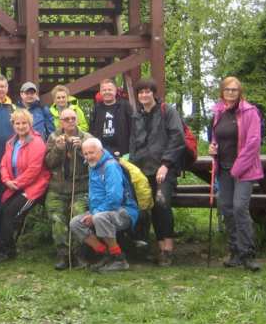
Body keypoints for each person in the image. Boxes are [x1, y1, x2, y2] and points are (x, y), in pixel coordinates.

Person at [128, 78, 186, 266]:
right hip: (142, 169)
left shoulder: (167, 111)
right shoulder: (136, 115)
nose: (144, 95)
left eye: (147, 91)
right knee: (146, 206)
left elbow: (178, 139)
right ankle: (147, 247)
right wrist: (133, 167)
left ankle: (167, 249)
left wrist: (166, 164)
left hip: (164, 169)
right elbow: (134, 142)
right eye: (141, 92)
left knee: (161, 204)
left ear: (154, 93)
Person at [209, 76, 263, 271]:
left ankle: (248, 253)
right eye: (227, 89)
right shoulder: (218, 112)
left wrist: (237, 168)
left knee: (240, 208)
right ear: (222, 92)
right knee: (227, 208)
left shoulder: (250, 112)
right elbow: (216, 138)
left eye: (235, 90)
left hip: (245, 170)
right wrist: (212, 148)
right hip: (223, 168)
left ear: (240, 92)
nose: (231, 93)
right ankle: (235, 252)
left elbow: (253, 143)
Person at [69, 138, 139, 272]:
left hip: (125, 210)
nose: (89, 156)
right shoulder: (93, 166)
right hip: (101, 211)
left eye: (92, 153)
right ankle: (105, 254)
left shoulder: (110, 166)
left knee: (99, 218)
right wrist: (92, 212)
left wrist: (95, 213)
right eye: (86, 154)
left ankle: (119, 259)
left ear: (101, 151)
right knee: (76, 223)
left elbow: (115, 199)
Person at [0, 109, 50, 264]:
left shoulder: (37, 142)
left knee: (9, 213)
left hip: (34, 187)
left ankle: (5, 251)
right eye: (17, 123)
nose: (21, 126)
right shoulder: (11, 142)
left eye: (24, 123)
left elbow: (34, 170)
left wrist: (15, 184)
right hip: (14, 186)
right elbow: (3, 164)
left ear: (30, 124)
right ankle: (6, 248)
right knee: (0, 210)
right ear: (13, 125)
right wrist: (6, 181)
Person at [44, 108, 94, 269]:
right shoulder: (53, 138)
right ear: (60, 122)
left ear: (77, 120)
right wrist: (58, 150)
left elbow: (95, 163)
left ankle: (79, 253)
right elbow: (48, 164)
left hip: (80, 188)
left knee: (79, 216)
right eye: (66, 119)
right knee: (57, 218)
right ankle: (63, 254)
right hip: (57, 189)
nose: (70, 122)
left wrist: (81, 150)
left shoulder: (87, 138)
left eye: (73, 118)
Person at [89, 79, 133, 156]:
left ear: (115, 91)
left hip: (123, 151)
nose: (107, 92)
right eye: (104, 90)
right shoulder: (96, 108)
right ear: (100, 92)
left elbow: (133, 128)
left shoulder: (125, 106)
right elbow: (92, 130)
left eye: (110, 90)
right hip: (101, 152)